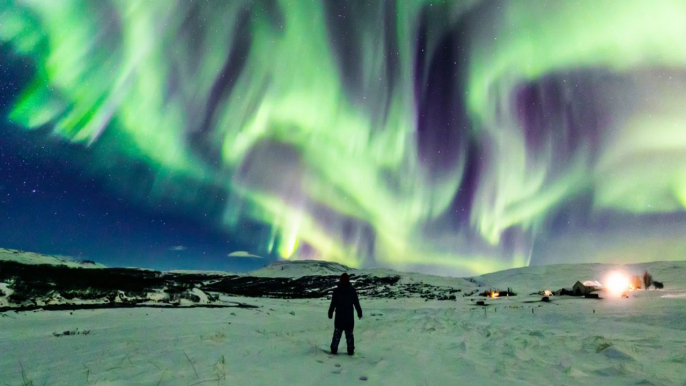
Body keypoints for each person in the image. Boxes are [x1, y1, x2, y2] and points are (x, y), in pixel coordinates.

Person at [328, 273, 362, 355]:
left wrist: (330, 312)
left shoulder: (338, 291)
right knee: (347, 335)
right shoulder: (351, 290)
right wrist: (359, 312)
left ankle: (335, 349)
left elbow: (333, 303)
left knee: (338, 335)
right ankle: (349, 350)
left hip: (341, 317)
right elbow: (356, 303)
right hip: (347, 317)